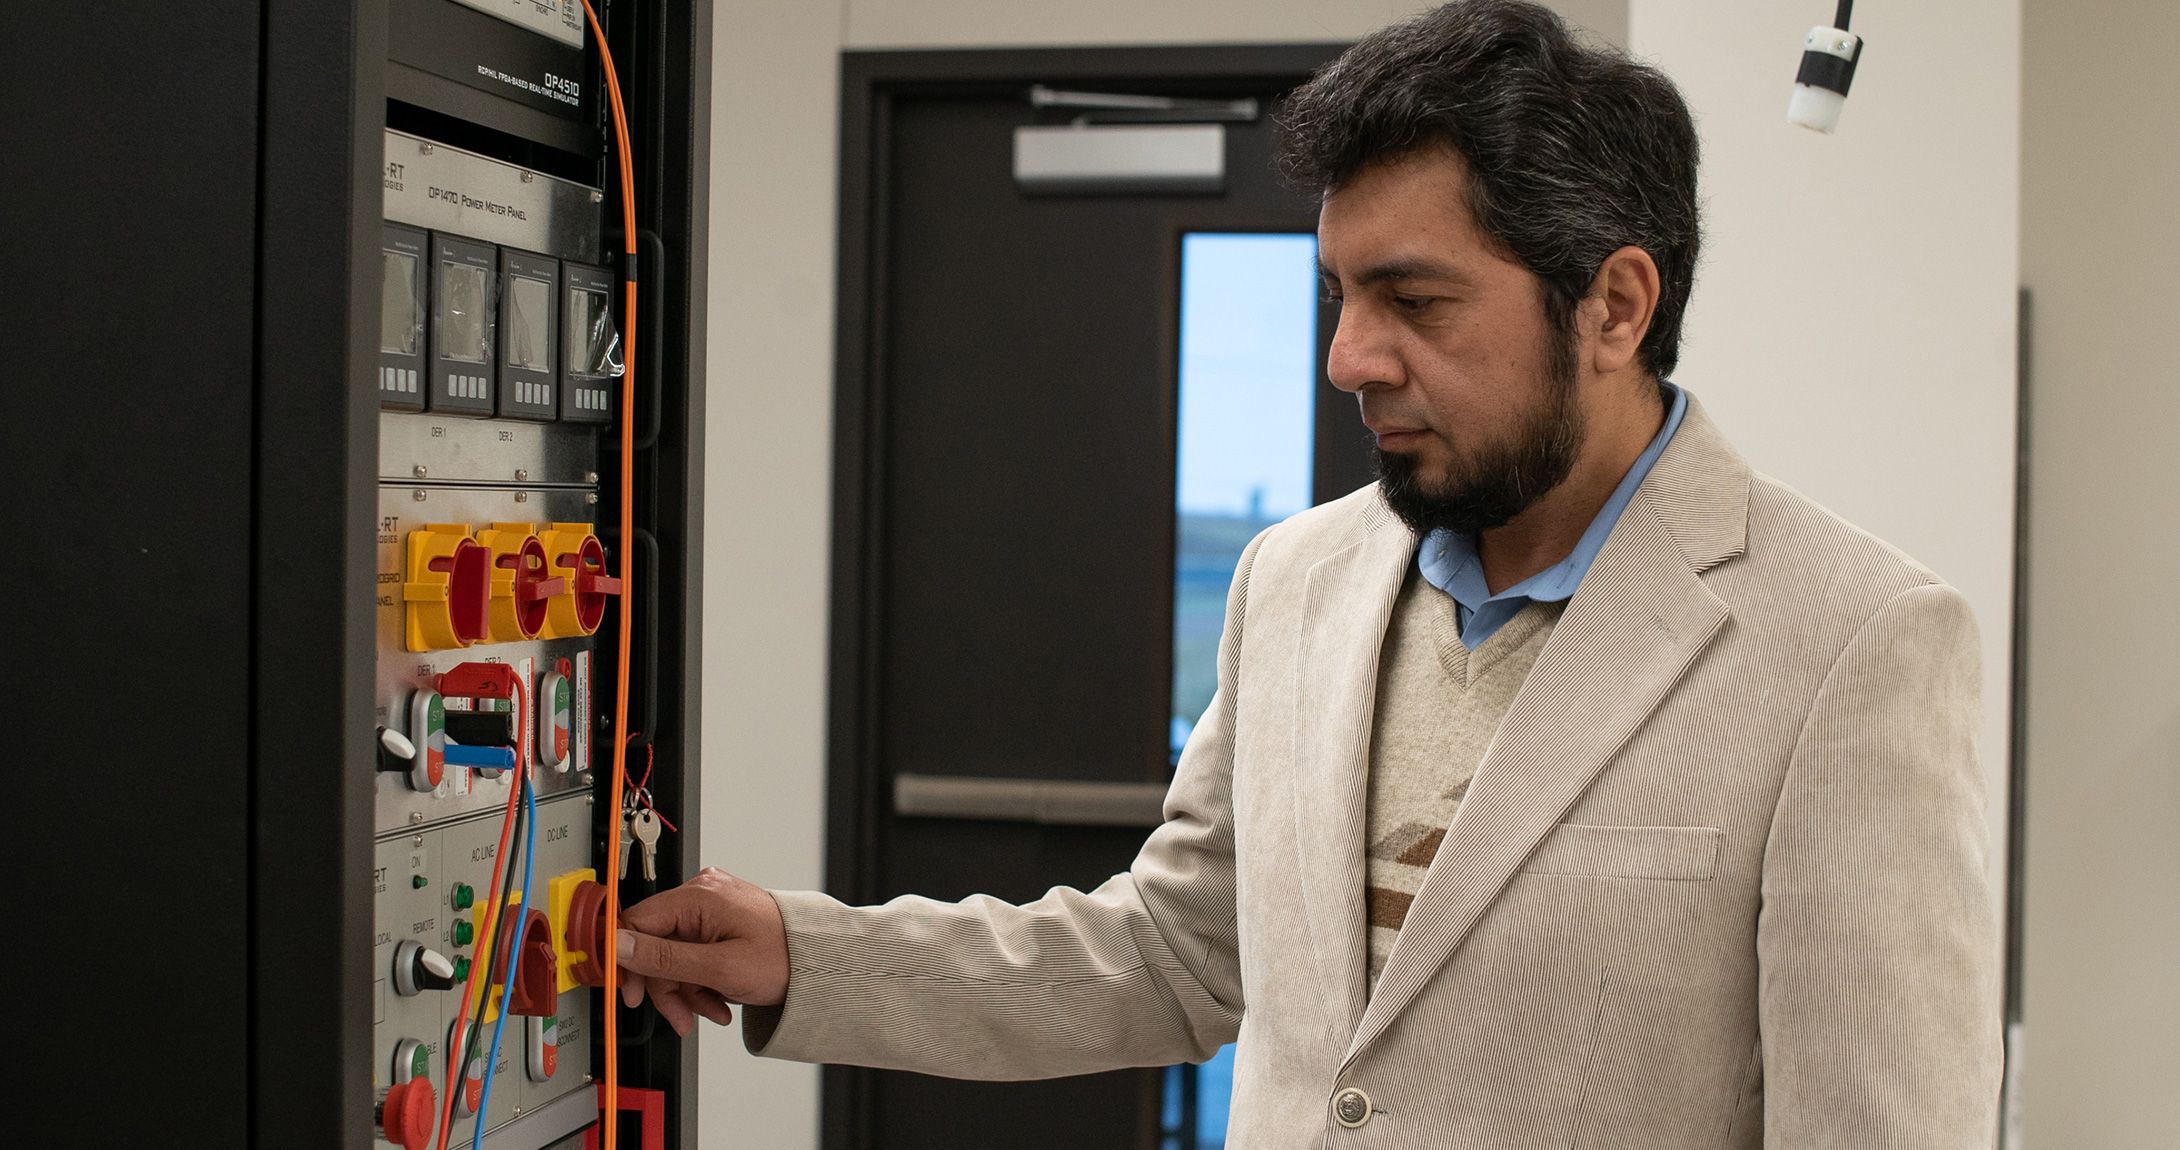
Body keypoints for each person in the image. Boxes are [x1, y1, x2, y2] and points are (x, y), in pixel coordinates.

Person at [613, 1, 2002, 1144]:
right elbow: (1175, 952)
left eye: (1416, 300)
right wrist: (813, 954)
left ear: (1615, 306)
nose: (1351, 356)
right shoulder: (1299, 578)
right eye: (1340, 294)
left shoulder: (1850, 643)